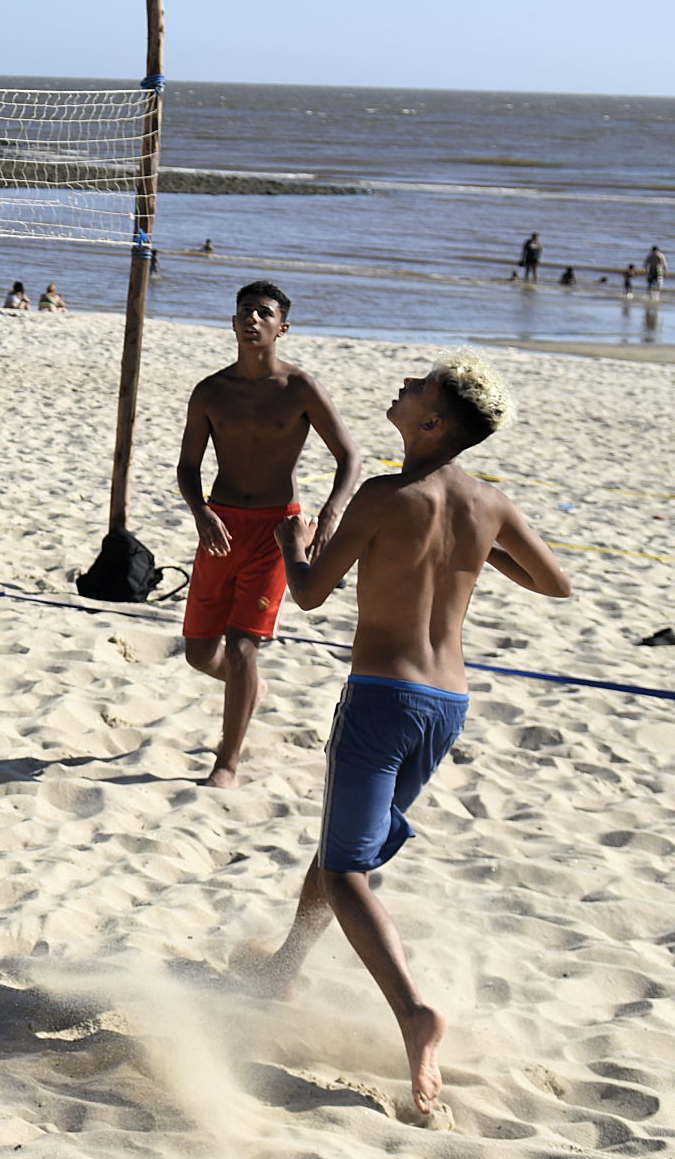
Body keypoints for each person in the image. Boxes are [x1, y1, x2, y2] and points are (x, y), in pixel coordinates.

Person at [242, 354, 571, 1117]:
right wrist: (477, 553)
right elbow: (557, 582)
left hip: (383, 696)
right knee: (339, 852)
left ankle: (413, 1013)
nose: (404, 385)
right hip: (446, 704)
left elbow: (313, 594)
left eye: (418, 387)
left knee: (349, 867)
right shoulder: (488, 502)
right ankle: (286, 967)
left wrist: (293, 538)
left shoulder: (387, 496)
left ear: (433, 424)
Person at [177, 281, 365, 788]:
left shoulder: (299, 387)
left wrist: (328, 516)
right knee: (199, 652)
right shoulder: (211, 391)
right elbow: (188, 465)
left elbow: (350, 456)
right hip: (220, 525)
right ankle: (248, 689)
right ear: (233, 322)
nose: (251, 319)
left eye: (263, 313)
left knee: (242, 648)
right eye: (244, 311)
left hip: (279, 530)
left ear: (282, 327)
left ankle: (227, 764)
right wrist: (199, 511)